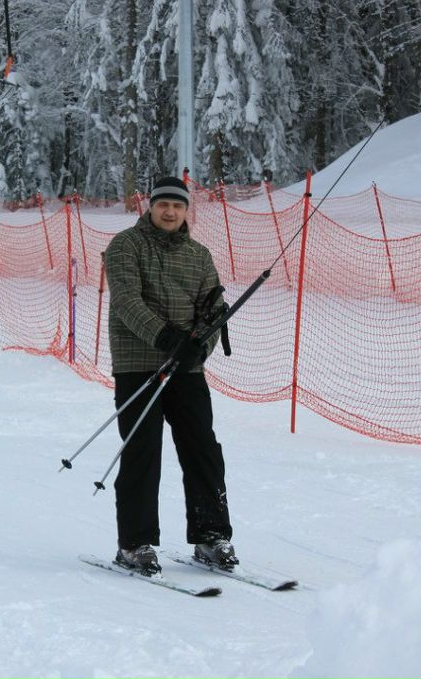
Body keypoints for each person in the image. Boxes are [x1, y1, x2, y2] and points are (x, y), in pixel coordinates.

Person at [102, 175, 233, 576]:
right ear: (151, 206)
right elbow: (126, 300)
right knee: (143, 451)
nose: (171, 212)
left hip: (186, 367)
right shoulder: (125, 245)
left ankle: (211, 536)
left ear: (186, 210)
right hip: (138, 362)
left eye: (178, 206)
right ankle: (135, 543)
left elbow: (213, 312)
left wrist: (199, 346)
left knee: (203, 450)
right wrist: (167, 338)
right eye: (164, 205)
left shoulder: (199, 255)